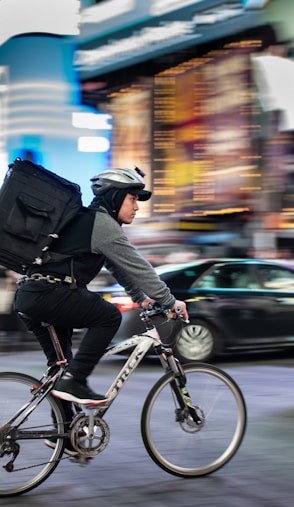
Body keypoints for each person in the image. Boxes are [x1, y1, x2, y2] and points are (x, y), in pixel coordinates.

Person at [14, 167, 189, 410]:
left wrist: (141, 298)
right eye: (132, 198)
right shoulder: (102, 224)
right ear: (115, 197)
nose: (136, 207)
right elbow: (138, 266)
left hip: (33, 295)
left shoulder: (89, 222)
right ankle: (76, 380)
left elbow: (117, 267)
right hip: (49, 294)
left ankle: (62, 435)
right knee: (108, 316)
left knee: (61, 367)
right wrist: (169, 301)